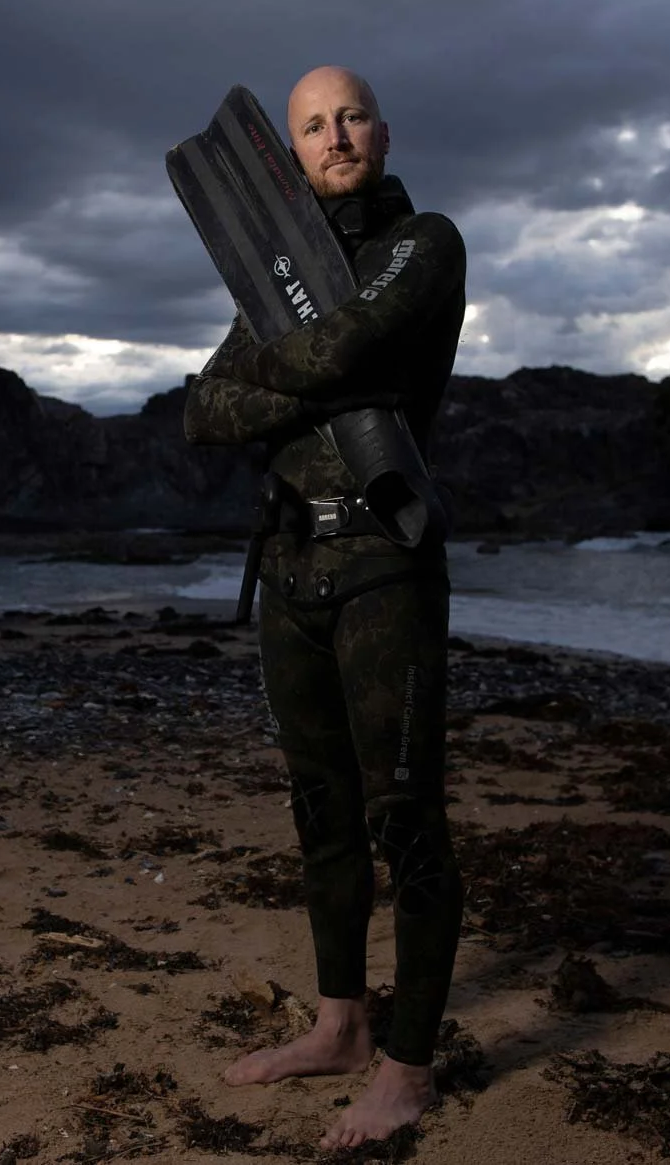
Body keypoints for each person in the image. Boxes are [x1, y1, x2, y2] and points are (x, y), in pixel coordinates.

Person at [183, 66, 467, 1148]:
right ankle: (340, 1024)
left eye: (349, 116)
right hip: (289, 570)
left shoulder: (421, 245)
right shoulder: (277, 277)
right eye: (311, 125)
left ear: (381, 131)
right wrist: (299, 367)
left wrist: (283, 367)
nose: (334, 136)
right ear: (290, 152)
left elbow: (340, 347)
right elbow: (202, 412)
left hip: (382, 564)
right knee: (321, 813)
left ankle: (404, 1067)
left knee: (406, 822)